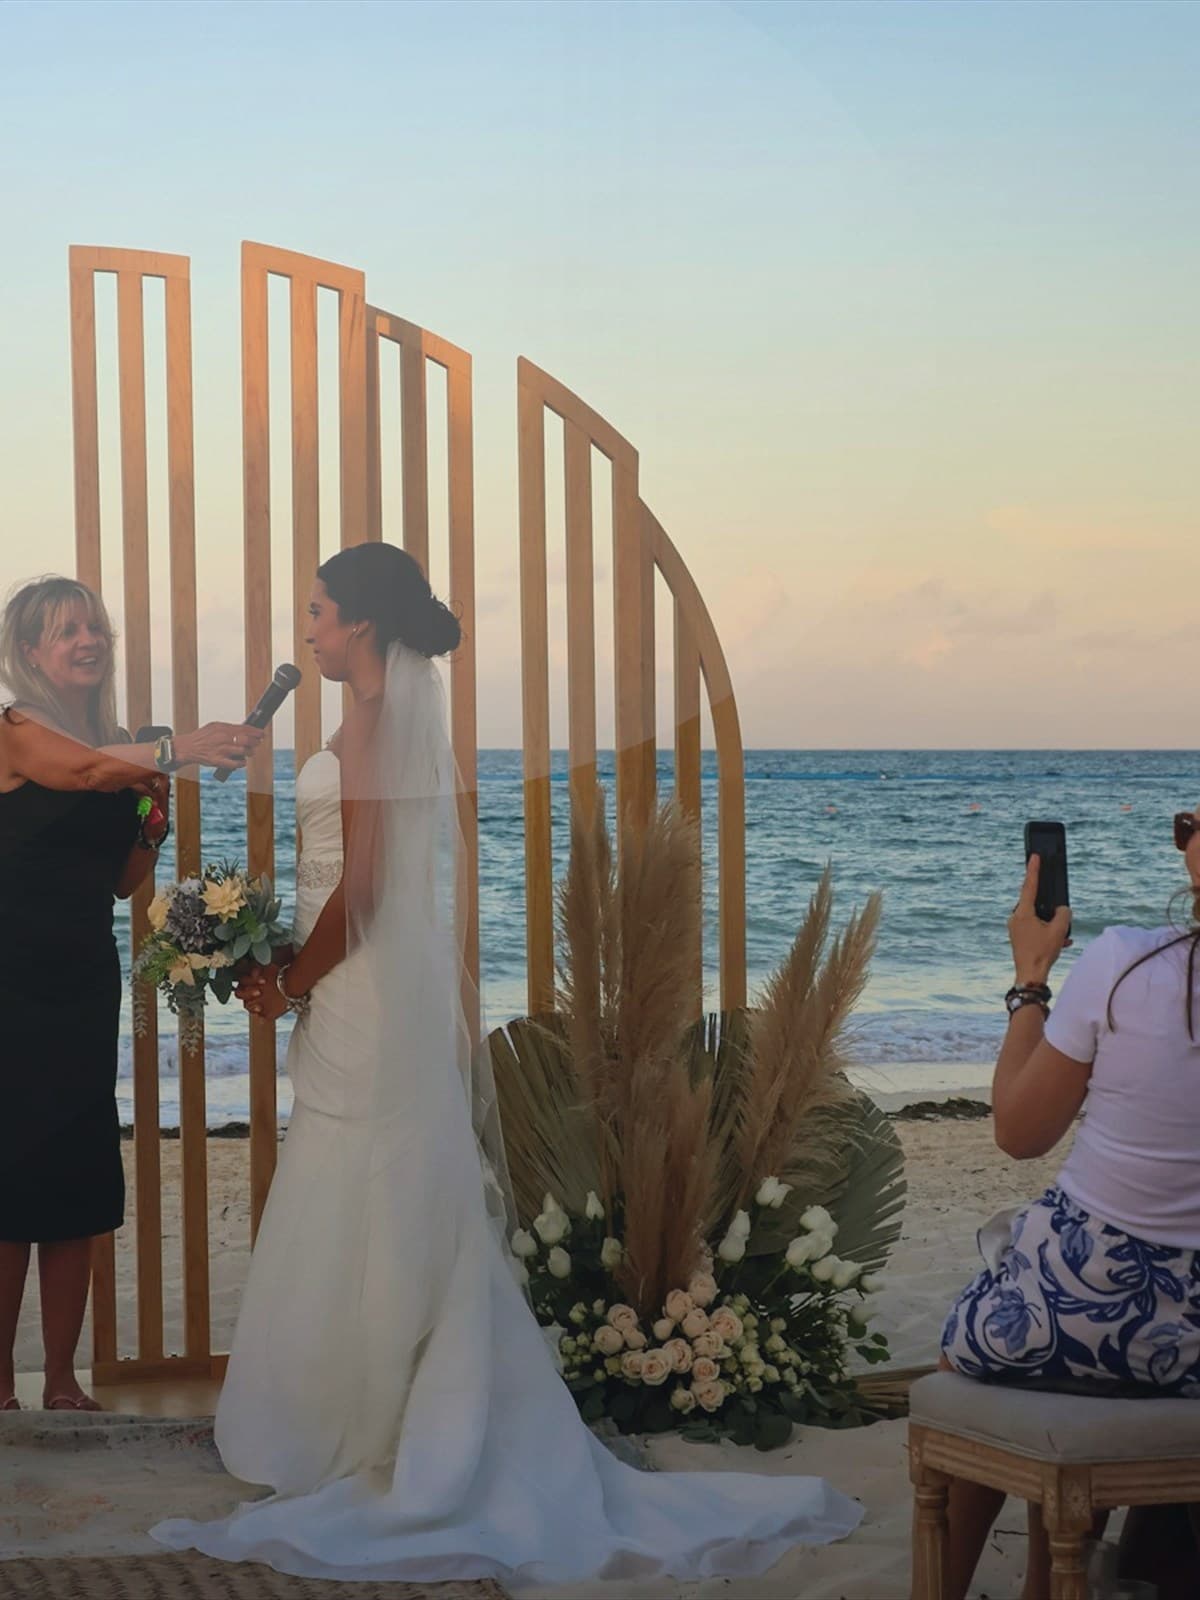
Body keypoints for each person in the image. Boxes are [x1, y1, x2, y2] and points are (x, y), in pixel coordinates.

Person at [150, 541, 863, 1588]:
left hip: (362, 990)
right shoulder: (365, 717)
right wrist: (270, 950)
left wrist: (290, 982)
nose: (307, 631)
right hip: (356, 990)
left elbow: (367, 890)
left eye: (318, 611)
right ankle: (368, 1409)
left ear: (360, 623)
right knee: (366, 1184)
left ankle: (385, 1424)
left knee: (376, 1184)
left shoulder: (380, 723)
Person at [0, 575, 263, 1413]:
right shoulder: (14, 731)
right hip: (8, 979)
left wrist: (153, 816)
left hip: (81, 978)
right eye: (66, 630)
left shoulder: (121, 747)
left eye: (95, 627)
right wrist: (179, 747)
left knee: (74, 1177)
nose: (87, 639)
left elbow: (122, 883)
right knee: (9, 1182)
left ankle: (67, 1382)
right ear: (31, 652)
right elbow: (76, 773)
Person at [937, 833, 1200, 1599]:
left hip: (1084, 1308)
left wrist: (1031, 977)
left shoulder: (1127, 965)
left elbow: (1020, 1133)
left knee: (979, 1343)